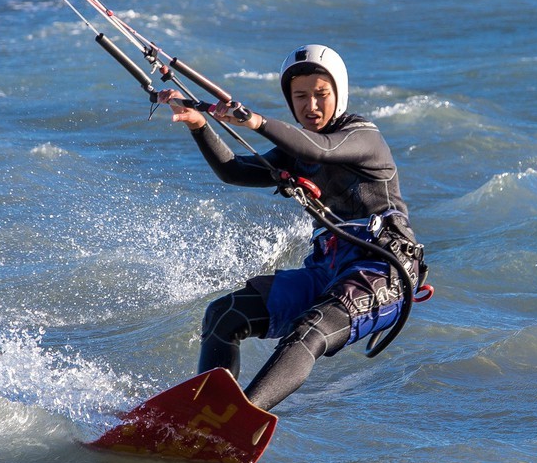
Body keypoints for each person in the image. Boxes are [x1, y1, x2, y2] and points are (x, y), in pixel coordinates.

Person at [161, 44, 423, 412]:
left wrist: (257, 122)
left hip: (381, 267)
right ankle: (208, 413)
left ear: (339, 94)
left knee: (309, 332)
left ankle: (238, 420)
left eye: (321, 95)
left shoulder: (363, 136)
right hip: (326, 267)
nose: (310, 106)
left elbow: (324, 151)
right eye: (300, 96)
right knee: (224, 314)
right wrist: (200, 124)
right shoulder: (296, 150)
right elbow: (234, 171)